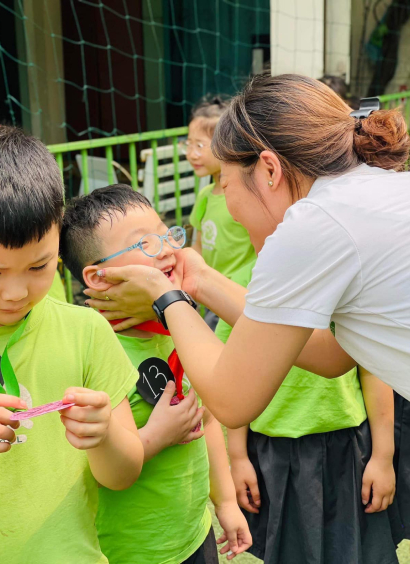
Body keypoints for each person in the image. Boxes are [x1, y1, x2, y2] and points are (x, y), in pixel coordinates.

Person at [83, 73, 410, 433]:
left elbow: (231, 400)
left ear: (270, 169)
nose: (230, 210)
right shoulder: (367, 193)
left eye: (224, 183)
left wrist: (165, 297)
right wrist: (199, 279)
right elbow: (332, 353)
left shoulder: (313, 225)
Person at [60, 184, 252, 563]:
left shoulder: (178, 325)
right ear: (98, 277)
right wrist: (157, 436)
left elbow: (208, 418)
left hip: (196, 533)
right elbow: (97, 467)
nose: (166, 249)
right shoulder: (91, 350)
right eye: (145, 243)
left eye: (166, 235)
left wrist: (226, 503)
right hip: (133, 551)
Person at [0, 126, 143, 564]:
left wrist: (103, 435)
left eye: (38, 266)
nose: (15, 293)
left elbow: (123, 474)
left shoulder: (86, 332)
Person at [217, 261, 403, 563]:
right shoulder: (241, 283)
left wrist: (383, 457)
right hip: (273, 454)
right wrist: (237, 457)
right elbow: (233, 374)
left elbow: (373, 369)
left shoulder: (345, 276)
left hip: (348, 448)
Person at [186, 96, 257, 329]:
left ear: (226, 145)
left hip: (239, 294)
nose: (191, 154)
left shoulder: (244, 197)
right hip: (211, 292)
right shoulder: (205, 196)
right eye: (188, 144)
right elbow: (198, 245)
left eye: (199, 146)